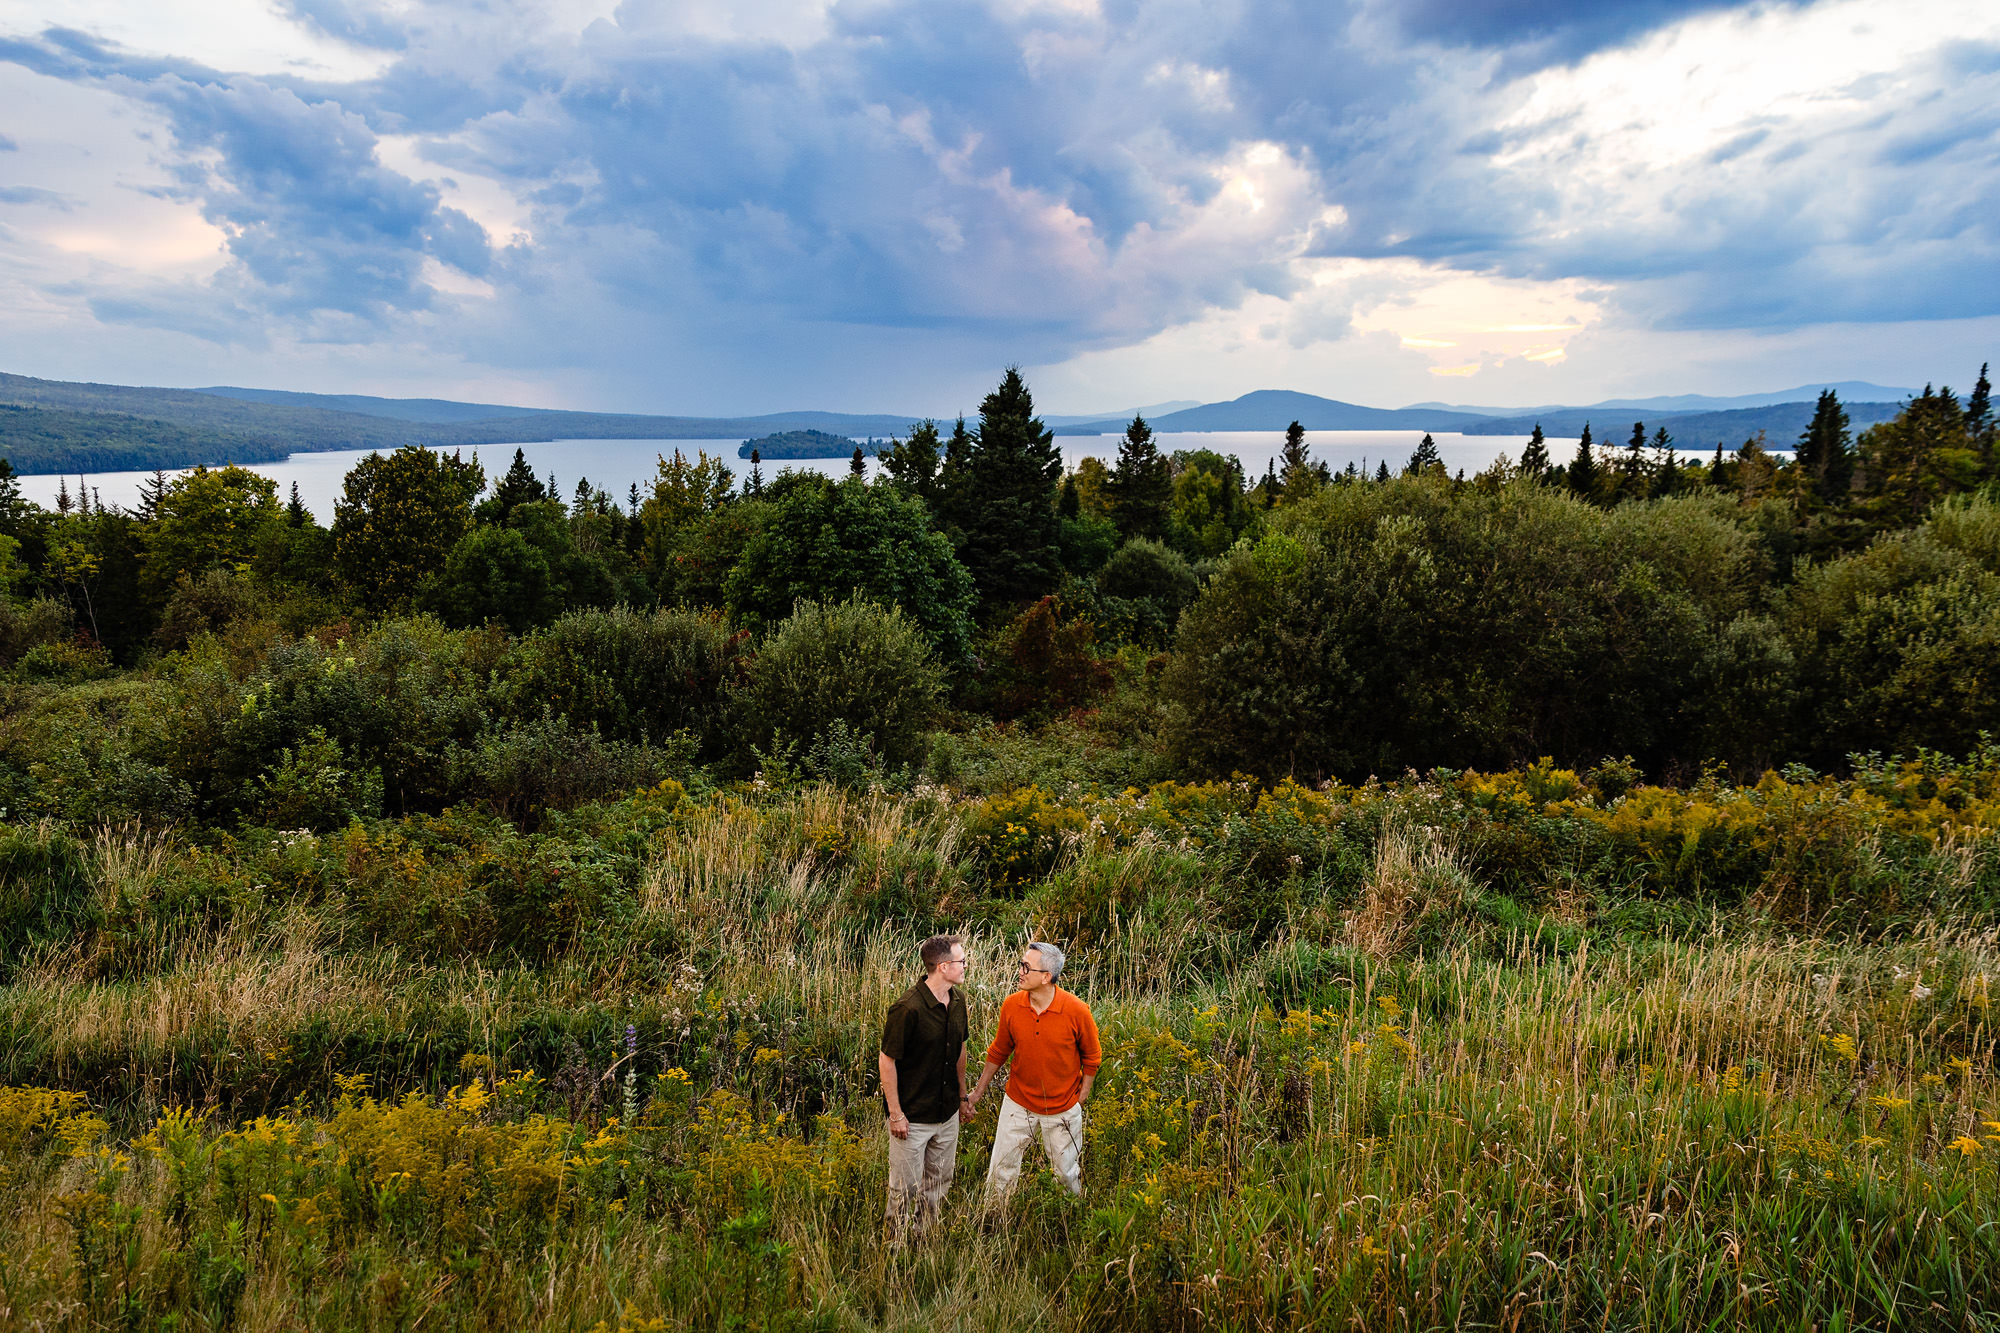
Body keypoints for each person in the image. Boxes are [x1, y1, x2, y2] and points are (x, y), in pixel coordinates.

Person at [965, 940, 1101, 1199]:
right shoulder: (1012, 1005)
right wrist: (978, 1092)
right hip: (1018, 1102)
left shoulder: (1077, 1011)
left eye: (1026, 967)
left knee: (1065, 1173)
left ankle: (1067, 1223)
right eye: (1021, 965)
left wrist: (1080, 1099)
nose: (1020, 971)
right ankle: (994, 1219)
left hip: (1062, 1107)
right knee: (1002, 1169)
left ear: (1047, 977)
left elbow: (1092, 1058)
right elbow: (999, 1051)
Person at [878, 934, 970, 1238]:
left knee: (939, 1184)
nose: (965, 965)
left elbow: (960, 1050)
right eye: (961, 961)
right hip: (913, 1117)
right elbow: (887, 1060)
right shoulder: (907, 1008)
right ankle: (895, 1251)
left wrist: (962, 1095)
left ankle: (923, 1240)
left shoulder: (958, 1002)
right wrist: (896, 1113)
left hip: (947, 1114)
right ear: (943, 967)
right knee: (904, 1189)